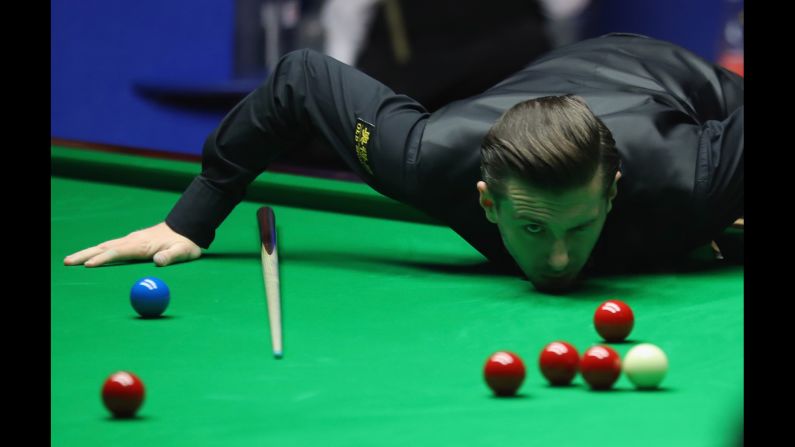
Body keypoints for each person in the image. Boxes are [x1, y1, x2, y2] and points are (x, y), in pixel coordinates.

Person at [64, 33, 744, 294]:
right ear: (485, 200)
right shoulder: (427, 158)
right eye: (534, 229)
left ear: (612, 191)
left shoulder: (689, 177)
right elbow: (301, 79)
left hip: (684, 91)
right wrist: (194, 215)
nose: (561, 260)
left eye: (579, 226)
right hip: (551, 84)